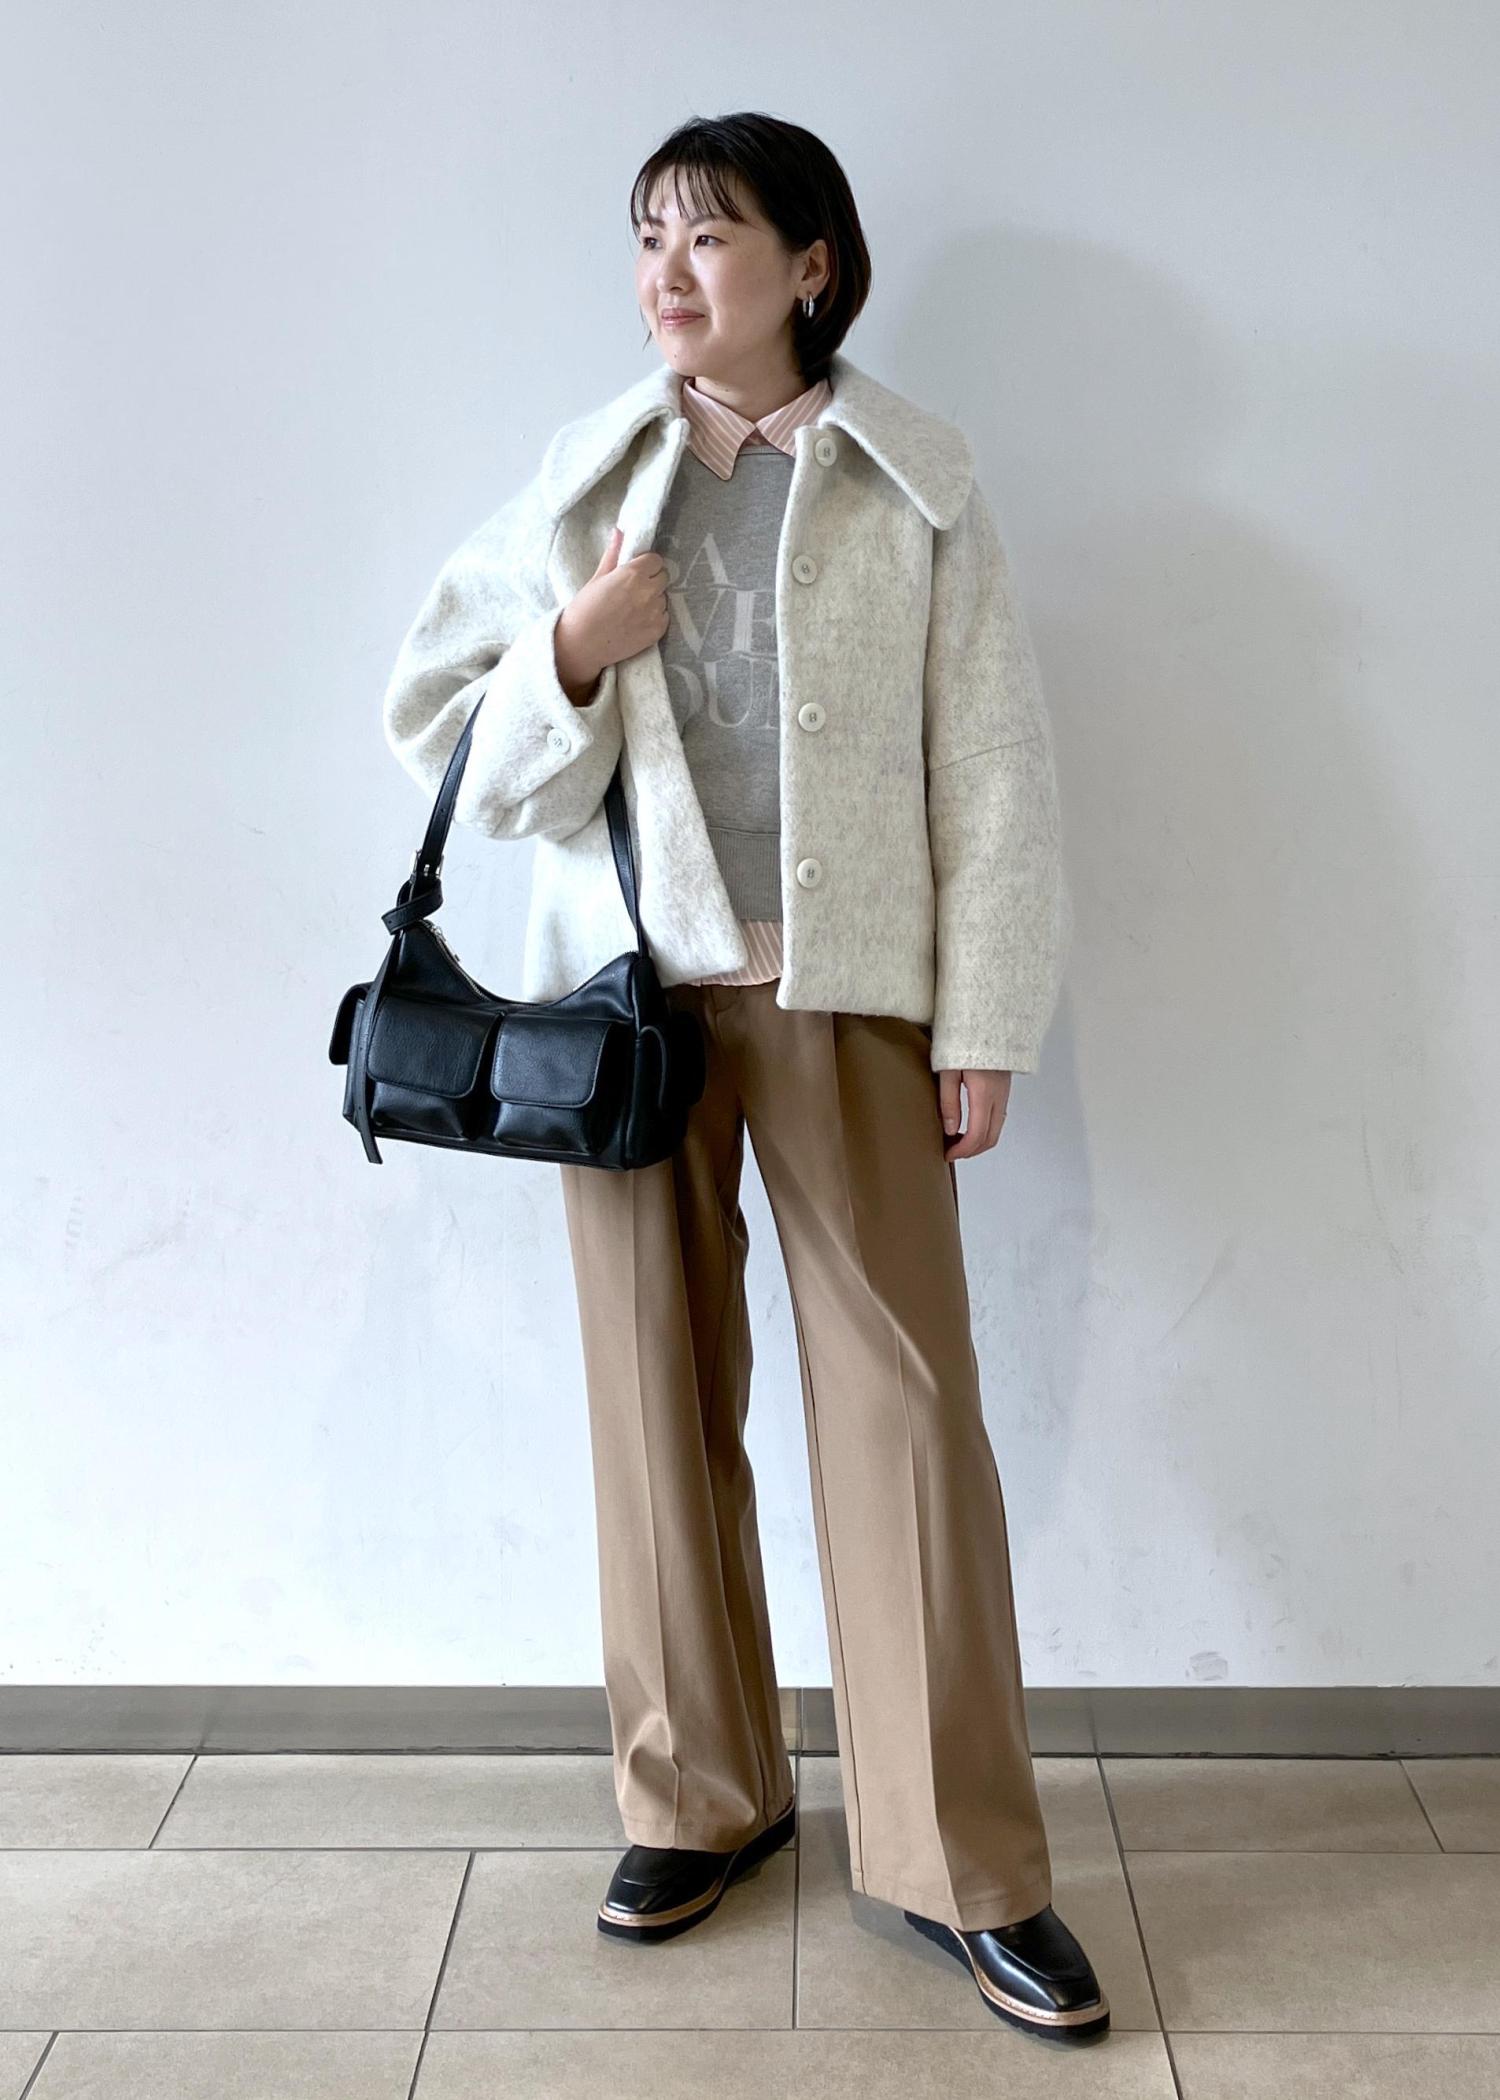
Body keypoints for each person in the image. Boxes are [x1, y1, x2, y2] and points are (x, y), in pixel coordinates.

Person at [381, 111, 1103, 2044]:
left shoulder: (916, 479)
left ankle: (965, 1864)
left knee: (909, 1419)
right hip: (625, 1013)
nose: (668, 272)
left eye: (710, 236)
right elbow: (435, 725)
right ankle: (698, 1799)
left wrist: (984, 1021)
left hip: (851, 1001)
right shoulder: (587, 476)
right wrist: (568, 650)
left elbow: (996, 768)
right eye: (648, 238)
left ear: (812, 266)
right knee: (652, 1398)